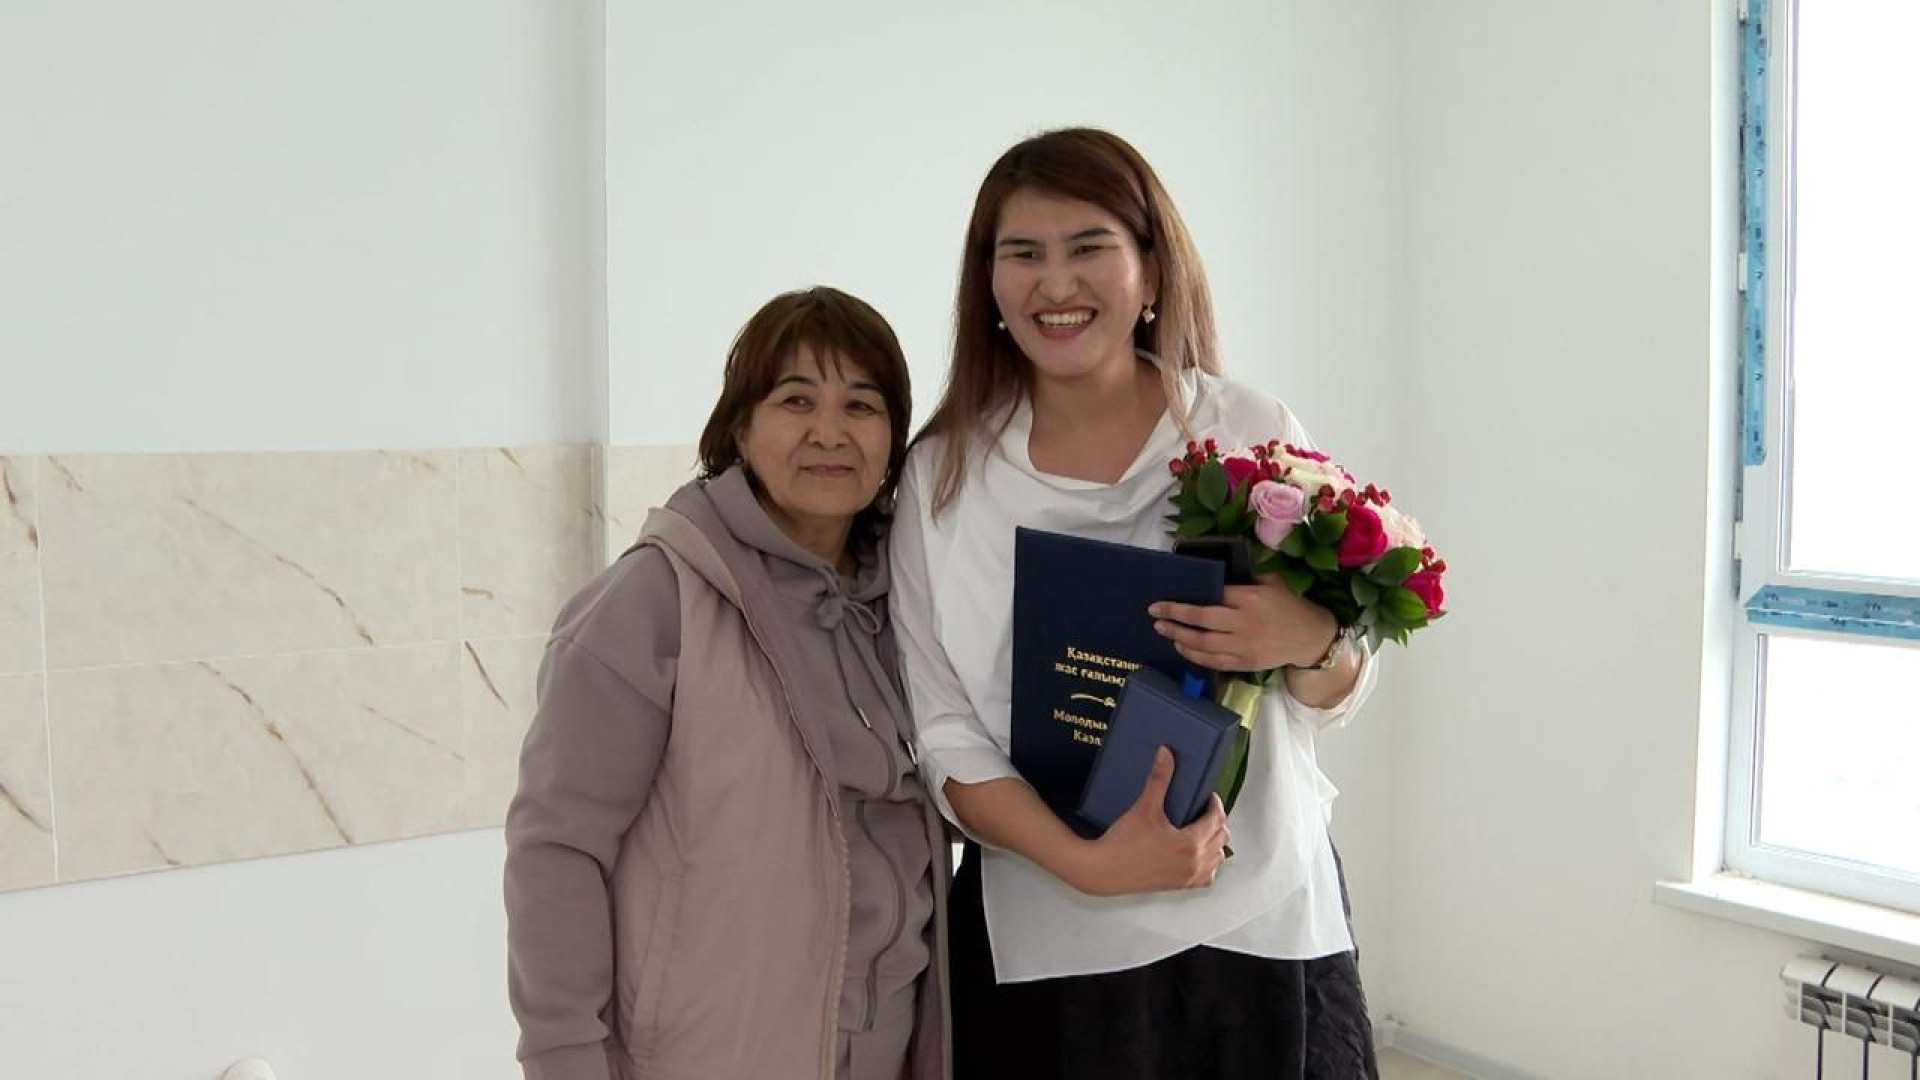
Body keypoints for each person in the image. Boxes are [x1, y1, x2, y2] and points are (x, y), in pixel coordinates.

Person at [889, 128, 1379, 1079]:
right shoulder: (942, 478)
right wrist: (1090, 864)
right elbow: (942, 730)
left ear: (1151, 269)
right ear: (988, 283)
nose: (1055, 283)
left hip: (1262, 924)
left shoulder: (1248, 429)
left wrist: (1311, 639)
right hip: (1051, 938)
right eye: (1022, 253)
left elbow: (1342, 684)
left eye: (1089, 247)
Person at [504, 286, 950, 1080]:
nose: (829, 432)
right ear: (740, 428)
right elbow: (557, 852)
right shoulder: (654, 601)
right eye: (796, 400)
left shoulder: (908, 603)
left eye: (861, 405)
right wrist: (565, 1058)